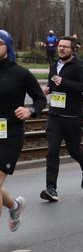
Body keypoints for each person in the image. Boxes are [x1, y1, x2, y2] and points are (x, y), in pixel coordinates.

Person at [0, 30, 47, 231]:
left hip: (9, 135)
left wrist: (31, 110)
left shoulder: (20, 73)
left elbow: (40, 99)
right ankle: (15, 206)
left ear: (8, 47)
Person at [40, 36, 83, 202]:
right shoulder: (53, 65)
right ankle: (51, 188)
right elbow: (53, 83)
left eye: (65, 47)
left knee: (73, 150)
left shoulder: (78, 66)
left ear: (73, 49)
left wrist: (64, 82)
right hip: (55, 116)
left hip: (72, 116)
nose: (61, 49)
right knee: (52, 151)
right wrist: (48, 89)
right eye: (60, 46)